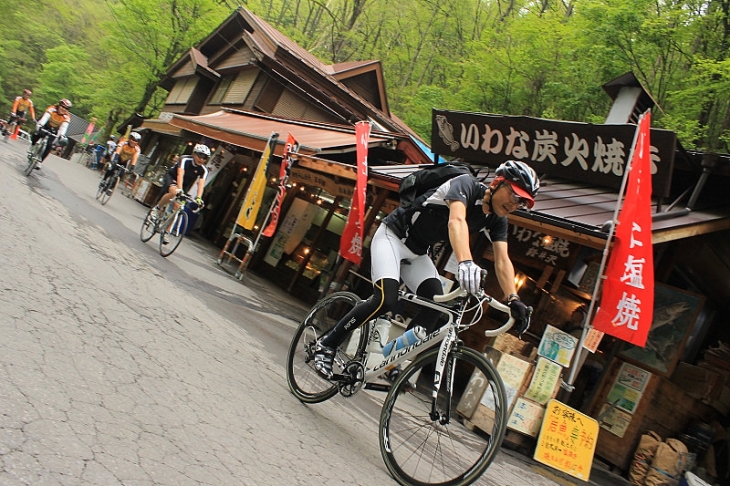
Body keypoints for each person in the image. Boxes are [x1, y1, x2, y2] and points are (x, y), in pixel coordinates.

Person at [313, 160, 540, 378]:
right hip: (392, 237)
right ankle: (327, 343)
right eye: (514, 195)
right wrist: (466, 262)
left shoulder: (497, 219)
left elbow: (502, 260)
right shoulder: (465, 185)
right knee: (385, 299)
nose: (514, 204)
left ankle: (391, 359)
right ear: (497, 182)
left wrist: (513, 299)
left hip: (418, 253)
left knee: (436, 306)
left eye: (522, 202)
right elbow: (457, 222)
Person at [151, 144, 210, 241]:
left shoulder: (204, 169)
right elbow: (180, 175)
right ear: (194, 154)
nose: (201, 159)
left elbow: (201, 184)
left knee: (178, 208)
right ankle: (157, 208)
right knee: (174, 192)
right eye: (200, 155)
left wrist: (199, 198)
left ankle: (166, 232)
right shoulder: (184, 159)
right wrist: (179, 189)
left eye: (205, 158)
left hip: (185, 184)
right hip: (173, 177)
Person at [29, 99, 72, 166]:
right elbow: (45, 117)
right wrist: (41, 125)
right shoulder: (52, 108)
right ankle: (32, 145)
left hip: (55, 130)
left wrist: (62, 135)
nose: (64, 109)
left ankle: (39, 161)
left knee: (49, 145)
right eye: (62, 107)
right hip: (46, 125)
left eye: (66, 108)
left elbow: (64, 127)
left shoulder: (67, 117)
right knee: (37, 134)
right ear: (59, 105)